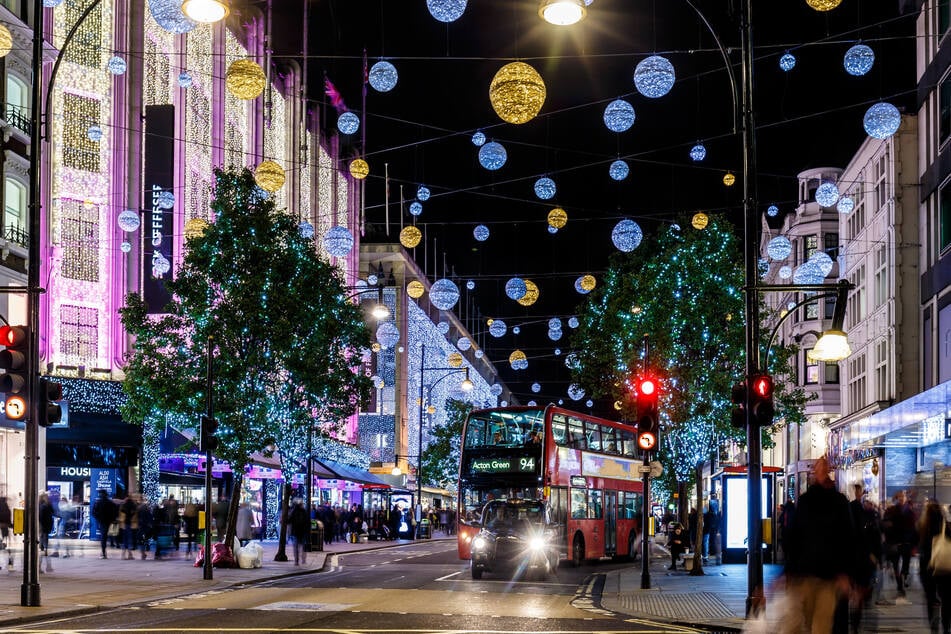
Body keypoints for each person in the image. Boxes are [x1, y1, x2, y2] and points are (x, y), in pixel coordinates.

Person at [781, 456, 856, 634]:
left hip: (828, 576)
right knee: (803, 622)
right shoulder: (808, 501)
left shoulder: (838, 501)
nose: (820, 471)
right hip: (805, 574)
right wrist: (788, 570)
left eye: (823, 468)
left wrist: (846, 573)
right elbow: (794, 536)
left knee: (821, 624)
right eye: (818, 468)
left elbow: (848, 538)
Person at [850, 484, 882, 634]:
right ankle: (858, 622)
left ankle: (861, 621)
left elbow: (875, 537)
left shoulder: (868, 514)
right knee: (860, 593)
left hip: (864, 559)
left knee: (863, 592)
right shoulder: (855, 510)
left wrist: (876, 557)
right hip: (859, 559)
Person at [91, 490, 117, 559]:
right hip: (108, 521)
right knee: (109, 534)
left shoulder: (97, 503)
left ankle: (103, 552)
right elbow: (115, 512)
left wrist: (98, 519)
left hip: (102, 521)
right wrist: (112, 519)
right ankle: (110, 546)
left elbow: (93, 512)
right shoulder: (110, 503)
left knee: (103, 537)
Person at [287, 499, 309, 565]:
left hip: (296, 531)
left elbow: (289, 520)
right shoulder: (303, 511)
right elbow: (307, 522)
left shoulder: (293, 512)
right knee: (302, 546)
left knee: (296, 547)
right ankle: (302, 560)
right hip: (301, 531)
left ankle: (297, 561)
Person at [38, 492, 54, 573]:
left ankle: (43, 548)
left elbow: (52, 511)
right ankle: (43, 548)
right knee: (43, 538)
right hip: (44, 525)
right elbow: (41, 516)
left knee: (44, 538)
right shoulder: (42, 506)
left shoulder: (45, 505)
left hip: (45, 525)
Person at [0, 496, 12, 570]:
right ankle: (9, 561)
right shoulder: (6, 508)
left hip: (2, 526)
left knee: (3, 542)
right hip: (5, 527)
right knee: (6, 542)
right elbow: (8, 517)